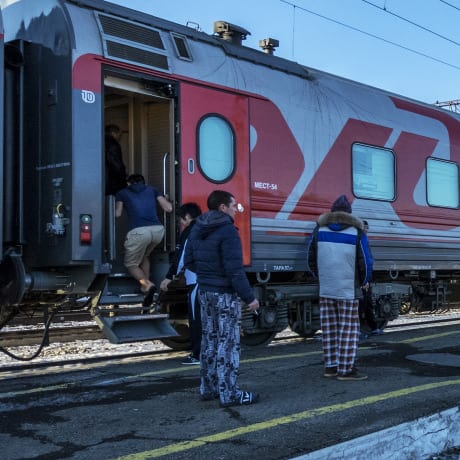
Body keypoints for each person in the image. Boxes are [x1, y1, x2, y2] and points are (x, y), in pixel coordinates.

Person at [184, 190, 260, 407]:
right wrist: (250, 298)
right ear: (222, 207)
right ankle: (230, 394)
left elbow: (188, 261)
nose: (236, 210)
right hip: (224, 295)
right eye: (233, 206)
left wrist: (207, 274)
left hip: (205, 292)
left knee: (209, 340)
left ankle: (208, 388)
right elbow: (234, 270)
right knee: (227, 344)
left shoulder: (197, 227)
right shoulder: (227, 231)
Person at [307, 194, 373, 381]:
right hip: (347, 289)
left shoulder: (319, 230)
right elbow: (366, 262)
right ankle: (345, 370)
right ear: (349, 214)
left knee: (329, 328)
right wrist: (364, 281)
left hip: (326, 287)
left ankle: (331, 366)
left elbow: (310, 259)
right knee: (348, 329)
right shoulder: (356, 232)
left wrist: (321, 277)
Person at [115, 174, 173, 305]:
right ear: (143, 183)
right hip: (158, 231)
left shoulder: (122, 192)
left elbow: (117, 214)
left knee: (131, 265)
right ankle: (146, 287)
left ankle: (146, 284)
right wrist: (166, 198)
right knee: (145, 255)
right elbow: (168, 208)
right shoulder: (152, 190)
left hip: (139, 232)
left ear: (128, 183)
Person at [160, 203, 203, 365]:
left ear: (186, 217)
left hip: (197, 279)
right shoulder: (207, 228)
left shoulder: (190, 231)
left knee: (196, 318)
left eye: (181, 219)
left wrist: (169, 277)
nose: (181, 223)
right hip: (212, 279)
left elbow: (182, 255)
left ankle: (198, 355)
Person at [358, 220, 381, 338]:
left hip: (365, 276)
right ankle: (363, 330)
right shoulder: (361, 237)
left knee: (366, 304)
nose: (366, 229)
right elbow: (364, 260)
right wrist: (365, 280)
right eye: (365, 227)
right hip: (363, 278)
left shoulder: (363, 237)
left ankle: (373, 328)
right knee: (362, 304)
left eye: (367, 227)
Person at [105, 124, 127, 196]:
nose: (119, 137)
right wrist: (123, 178)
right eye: (119, 135)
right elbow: (116, 163)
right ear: (113, 133)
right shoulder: (113, 144)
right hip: (112, 181)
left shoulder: (99, 142)